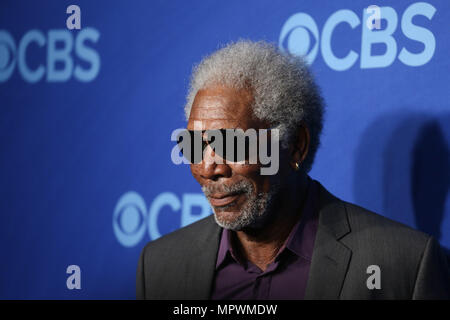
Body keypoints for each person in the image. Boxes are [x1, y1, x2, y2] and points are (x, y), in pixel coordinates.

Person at [136, 40, 449, 299]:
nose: (208, 168)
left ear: (296, 145)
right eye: (194, 145)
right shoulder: (160, 266)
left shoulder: (404, 266)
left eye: (231, 145)